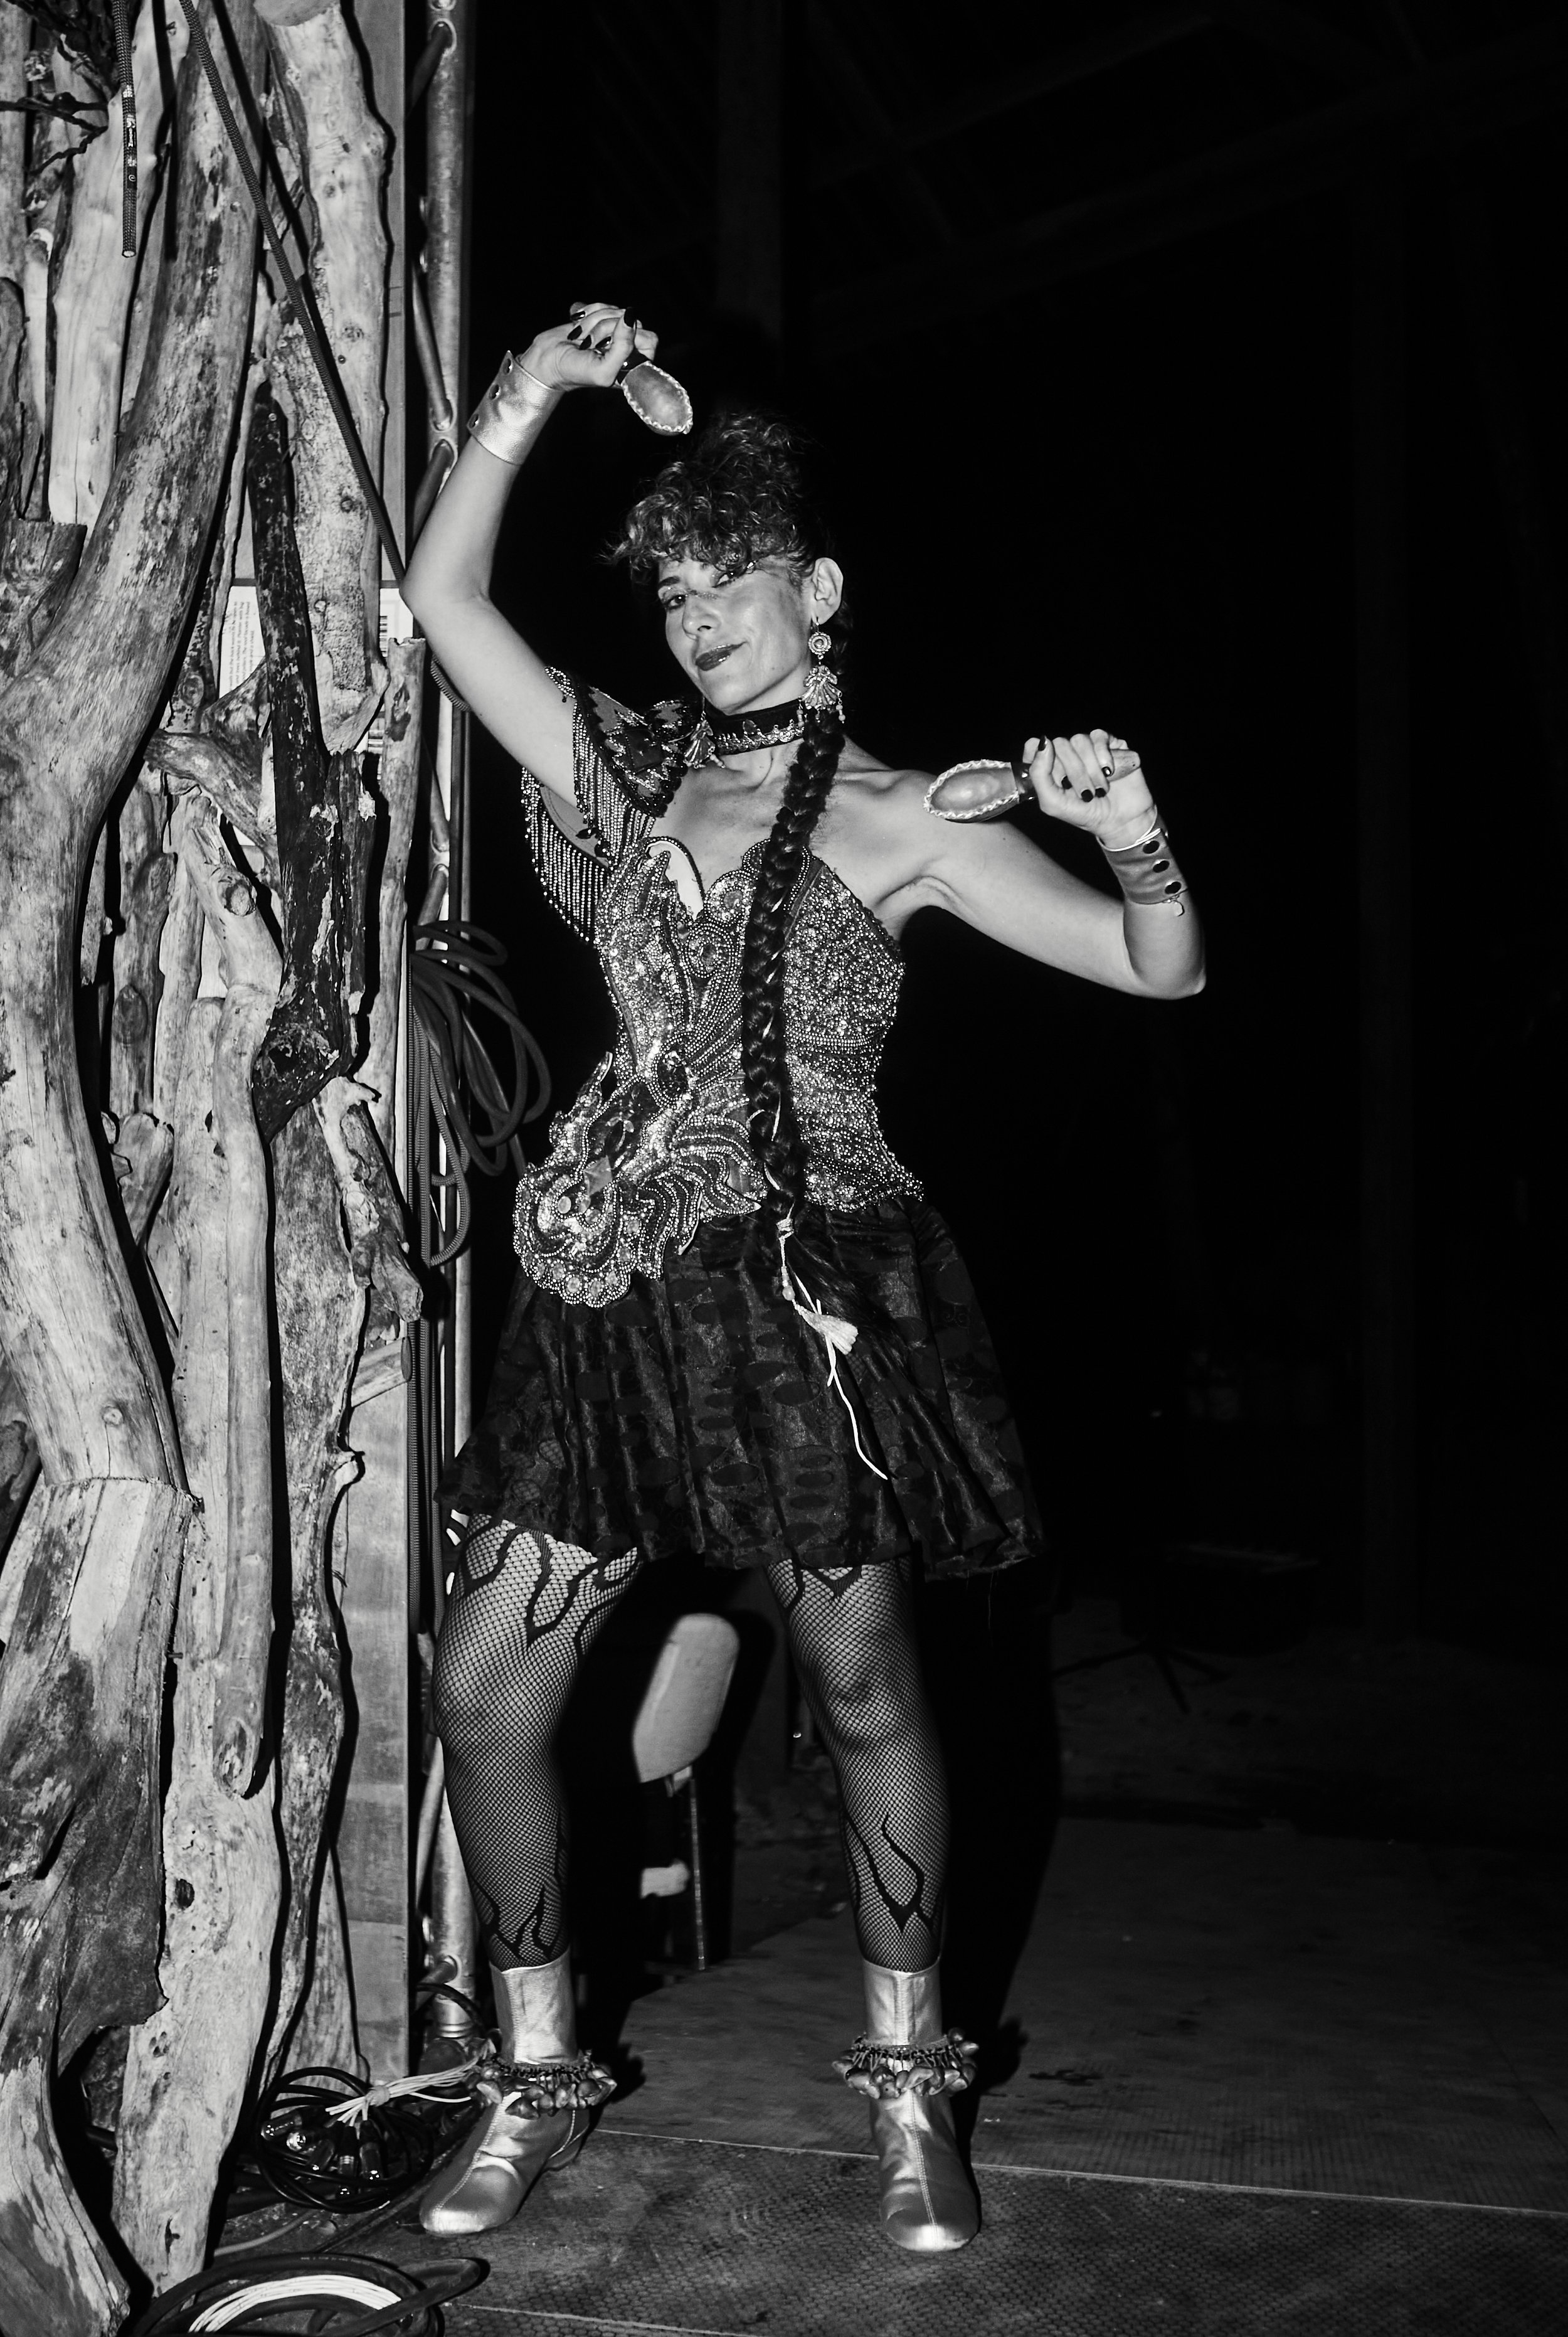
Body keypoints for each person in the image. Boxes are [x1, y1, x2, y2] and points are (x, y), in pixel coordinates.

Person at [401, 301, 1205, 2256]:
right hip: (607, 1294)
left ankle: (915, 2089)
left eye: (730, 581)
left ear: (817, 592)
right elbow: (444, 599)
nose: (697, 620)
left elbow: (1155, 969)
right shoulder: (621, 772)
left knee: (856, 1682)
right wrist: (530, 396)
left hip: (807, 1299)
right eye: (672, 593)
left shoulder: (909, 817)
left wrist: (1132, 834)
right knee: (486, 1689)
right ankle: (531, 2076)